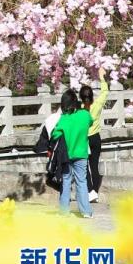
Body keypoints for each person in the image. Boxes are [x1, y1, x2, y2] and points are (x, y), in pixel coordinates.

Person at [51, 88, 93, 218]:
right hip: (81, 154)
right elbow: (90, 122)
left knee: (66, 181)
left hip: (66, 156)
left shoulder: (63, 119)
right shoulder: (85, 115)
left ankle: (64, 211)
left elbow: (55, 134)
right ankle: (86, 211)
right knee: (82, 182)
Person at [79, 66, 109, 202]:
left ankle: (90, 190)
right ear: (91, 96)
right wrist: (102, 77)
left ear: (81, 97)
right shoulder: (97, 104)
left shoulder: (78, 110)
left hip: (84, 139)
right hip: (96, 138)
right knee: (94, 166)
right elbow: (104, 92)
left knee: (84, 166)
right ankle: (94, 193)